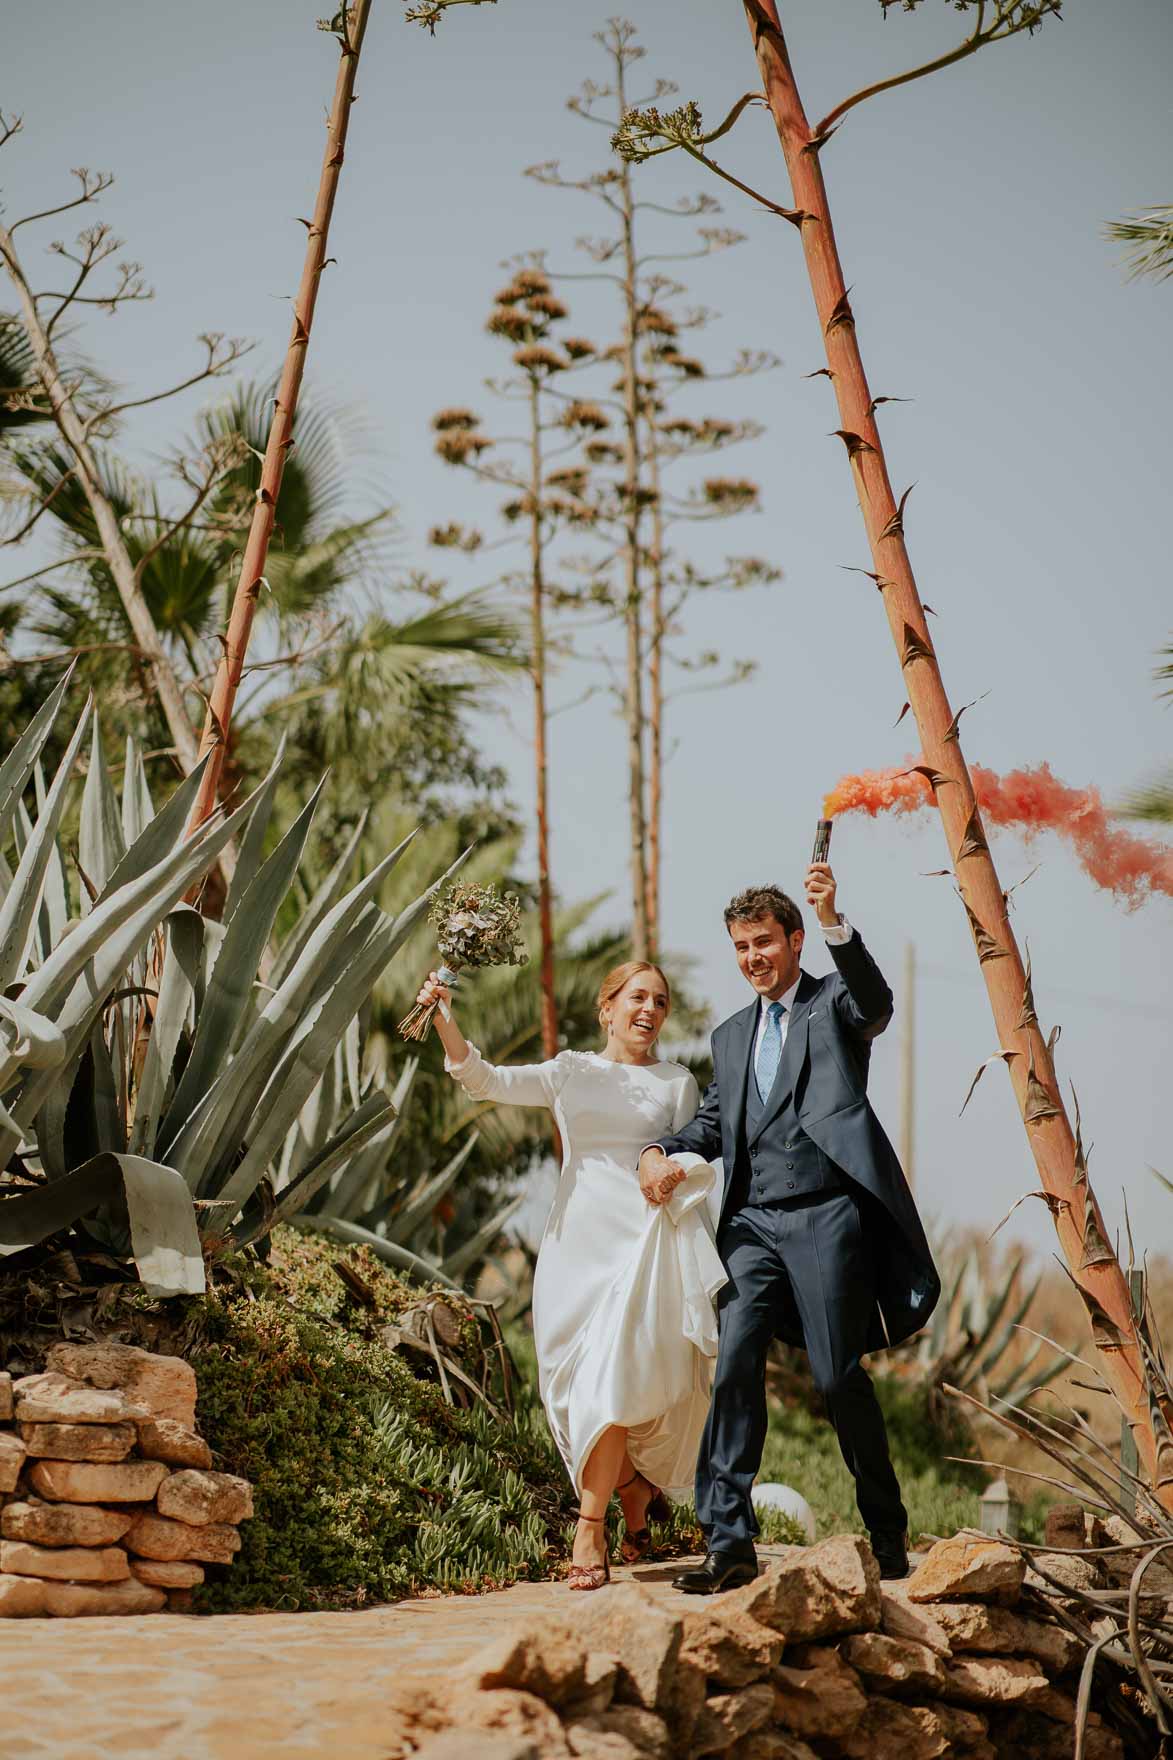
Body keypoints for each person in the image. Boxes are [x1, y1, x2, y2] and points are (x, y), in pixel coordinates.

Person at [638, 861, 940, 1593]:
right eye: (741, 947)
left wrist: (838, 920)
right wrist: (661, 1150)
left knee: (837, 1377)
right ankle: (728, 1544)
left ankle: (885, 1525)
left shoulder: (832, 1004)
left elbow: (874, 1002)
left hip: (825, 1216)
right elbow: (716, 1120)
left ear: (795, 941)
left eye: (764, 942)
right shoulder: (731, 1035)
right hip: (750, 1222)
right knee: (734, 1362)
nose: (753, 959)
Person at [417, 960, 727, 1591]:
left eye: (661, 1002)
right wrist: (444, 1018)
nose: (650, 1010)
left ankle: (591, 1528)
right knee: (574, 1389)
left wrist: (673, 1172)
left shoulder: (676, 1082)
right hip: (574, 1247)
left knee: (611, 1378)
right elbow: (484, 1080)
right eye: (637, 997)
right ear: (606, 1007)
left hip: (642, 1248)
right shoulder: (570, 1071)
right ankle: (634, 1491)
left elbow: (691, 1146)